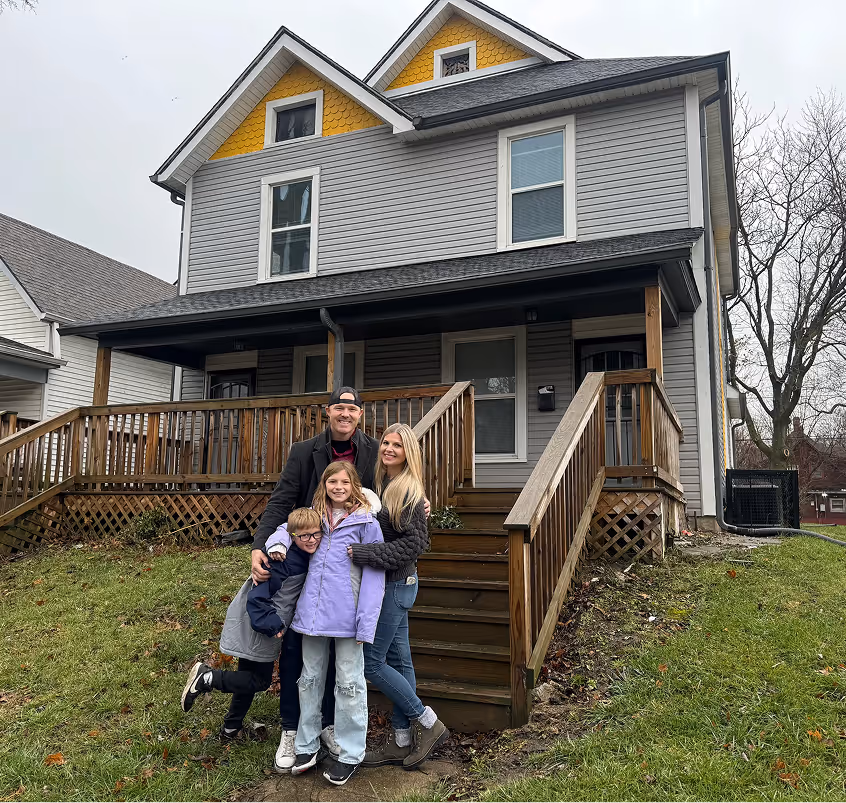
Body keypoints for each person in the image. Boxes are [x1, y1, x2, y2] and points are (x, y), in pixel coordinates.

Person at [250, 387, 379, 769]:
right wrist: (262, 543)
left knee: (343, 668)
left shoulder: (371, 451)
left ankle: (328, 727)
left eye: (351, 408)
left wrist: (417, 503)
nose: (345, 413)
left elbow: (388, 494)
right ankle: (293, 730)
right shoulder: (304, 451)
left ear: (359, 415)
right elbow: (281, 501)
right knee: (299, 656)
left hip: (348, 568)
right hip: (305, 560)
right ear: (328, 412)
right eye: (339, 407)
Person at [267, 461, 384, 787]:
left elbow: (375, 578)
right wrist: (277, 543)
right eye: (332, 480)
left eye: (344, 481)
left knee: (349, 684)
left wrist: (366, 622)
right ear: (325, 484)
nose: (338, 486)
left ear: (354, 485)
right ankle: (306, 746)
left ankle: (349, 753)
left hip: (348, 620)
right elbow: (286, 527)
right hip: (312, 618)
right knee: (309, 680)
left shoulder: (366, 524)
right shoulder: (314, 516)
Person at [347, 423, 449, 769]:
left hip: (396, 585)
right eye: (386, 443)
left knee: (371, 663)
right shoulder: (382, 484)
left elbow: (413, 544)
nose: (389, 448)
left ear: (409, 453)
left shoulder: (407, 491)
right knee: (401, 663)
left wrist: (365, 554)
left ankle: (427, 722)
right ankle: (401, 739)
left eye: (397, 445)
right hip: (392, 584)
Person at [179, 508, 323, 738]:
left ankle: (231, 728)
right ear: (292, 536)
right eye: (304, 536)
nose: (312, 540)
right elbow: (257, 597)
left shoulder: (300, 554)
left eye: (316, 534)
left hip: (262, 623)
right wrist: (273, 625)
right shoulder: (283, 561)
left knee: (246, 675)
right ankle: (207, 677)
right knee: (259, 680)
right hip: (262, 625)